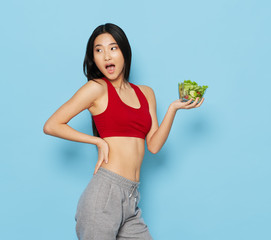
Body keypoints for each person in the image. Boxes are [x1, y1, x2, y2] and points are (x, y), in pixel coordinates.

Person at [43, 23, 204, 240]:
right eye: (98, 50)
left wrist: (173, 108)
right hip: (104, 194)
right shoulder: (96, 89)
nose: (106, 56)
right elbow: (52, 125)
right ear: (94, 58)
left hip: (132, 197)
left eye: (113, 48)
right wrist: (97, 142)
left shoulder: (146, 93)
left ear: (124, 52)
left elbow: (154, 146)